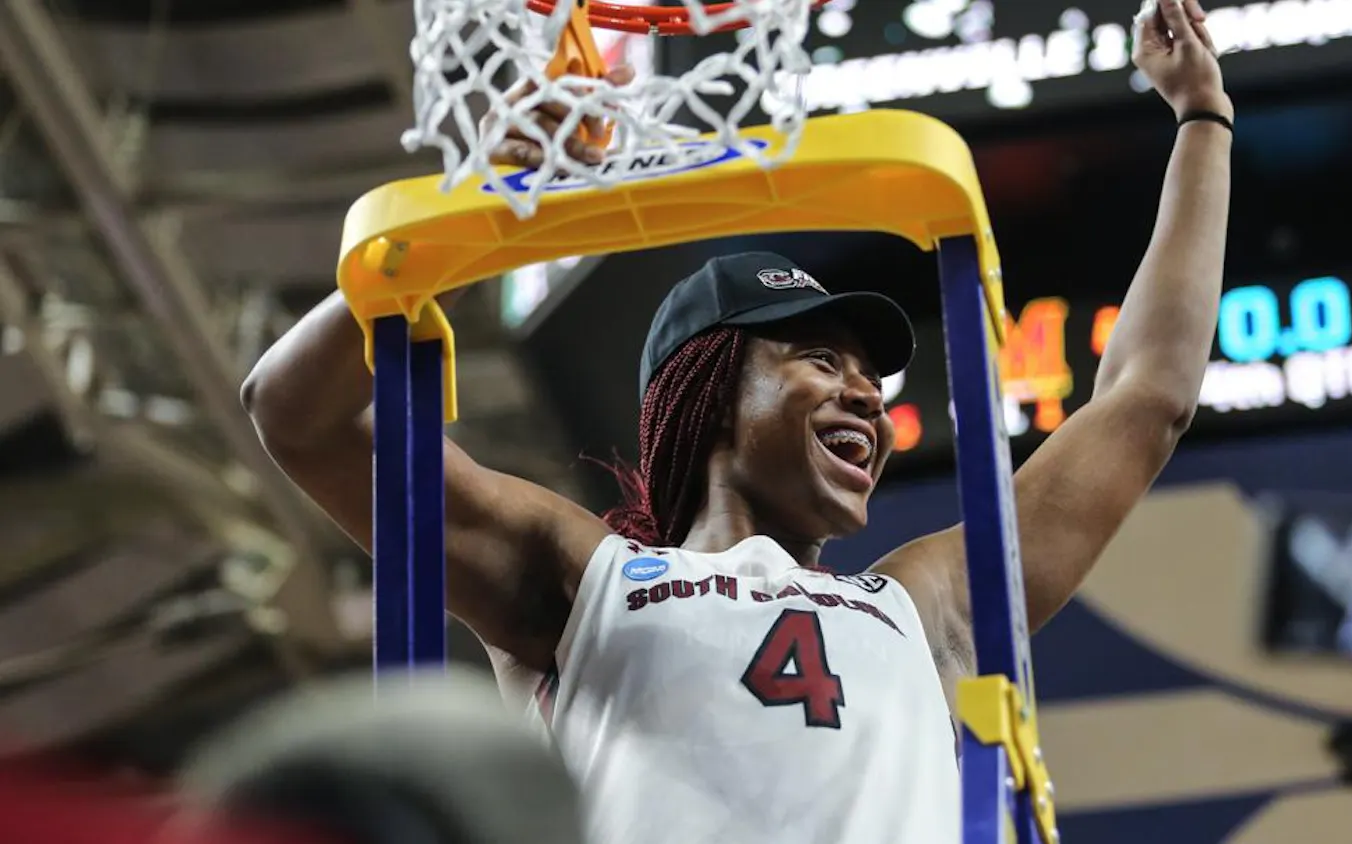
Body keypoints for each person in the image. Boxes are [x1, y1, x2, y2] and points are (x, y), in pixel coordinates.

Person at [240, 1, 1232, 841]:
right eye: (820, 361)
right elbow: (295, 412)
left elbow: (1147, 398)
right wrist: (481, 215)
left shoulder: (926, 608)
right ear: (710, 391)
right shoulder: (582, 581)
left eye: (870, 377)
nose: (867, 395)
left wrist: (1203, 122)